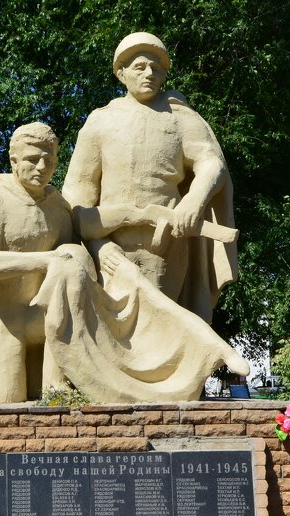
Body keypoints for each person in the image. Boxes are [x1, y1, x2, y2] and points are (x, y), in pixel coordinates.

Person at [62, 32, 237, 323]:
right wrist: (98, 246)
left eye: (156, 68)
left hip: (166, 246)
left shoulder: (180, 117)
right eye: (140, 67)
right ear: (121, 73)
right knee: (113, 333)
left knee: (161, 328)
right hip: (109, 247)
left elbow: (211, 163)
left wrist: (194, 199)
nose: (149, 73)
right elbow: (77, 197)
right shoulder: (100, 121)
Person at [0, 122, 94, 403]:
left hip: (48, 317)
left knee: (55, 399)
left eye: (48, 160)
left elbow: (77, 256)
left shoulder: (59, 208)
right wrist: (45, 260)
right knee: (5, 400)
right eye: (31, 160)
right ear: (13, 161)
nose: (41, 167)